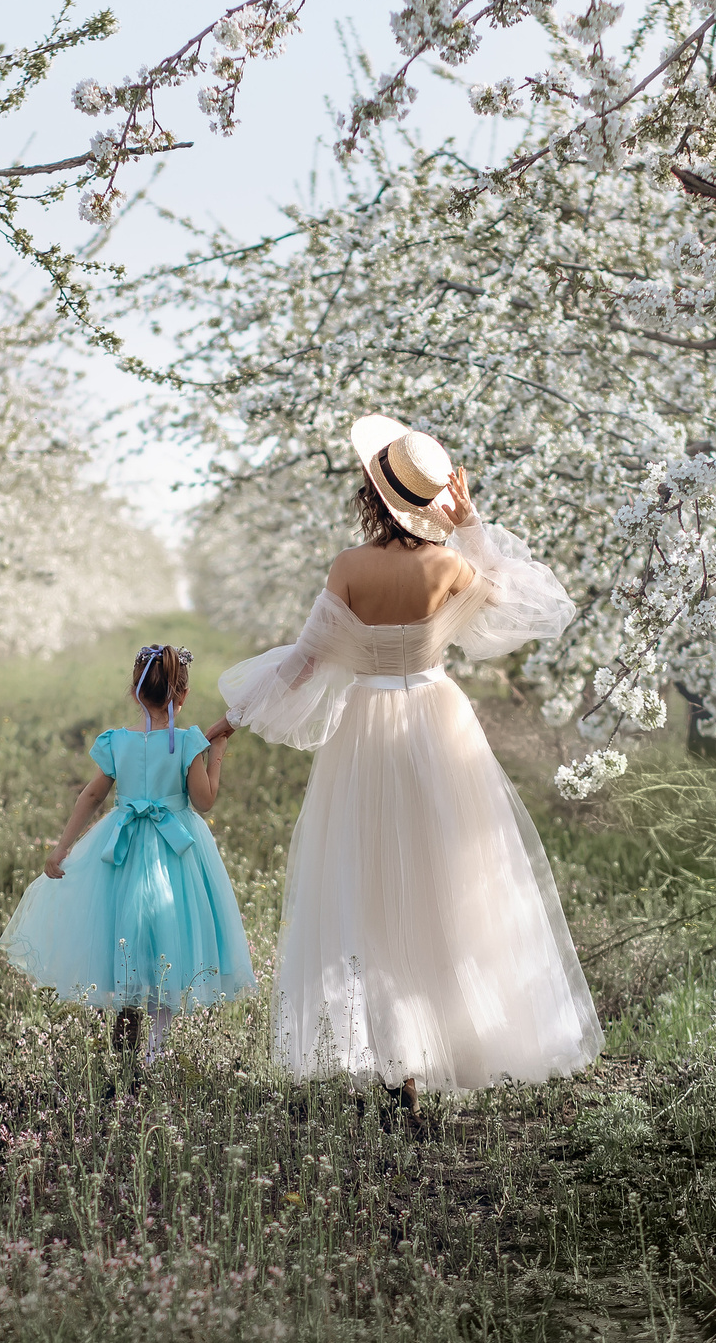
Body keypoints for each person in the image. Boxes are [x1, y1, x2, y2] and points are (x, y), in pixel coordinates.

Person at [216, 416, 601, 1104]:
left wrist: (233, 717)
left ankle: (402, 1060)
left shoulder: (349, 567)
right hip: (438, 719)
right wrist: (470, 524)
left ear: (373, 491)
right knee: (451, 883)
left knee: (370, 887)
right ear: (429, 501)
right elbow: (522, 599)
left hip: (367, 725)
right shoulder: (450, 566)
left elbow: (305, 662)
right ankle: (449, 1040)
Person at [1, 643, 254, 1062]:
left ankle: (126, 1040)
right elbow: (204, 800)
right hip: (175, 852)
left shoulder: (117, 741)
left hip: (122, 845)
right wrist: (217, 755)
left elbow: (91, 796)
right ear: (183, 694)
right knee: (167, 940)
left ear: (136, 692)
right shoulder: (187, 742)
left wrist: (62, 847)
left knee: (123, 935)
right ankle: (153, 1051)